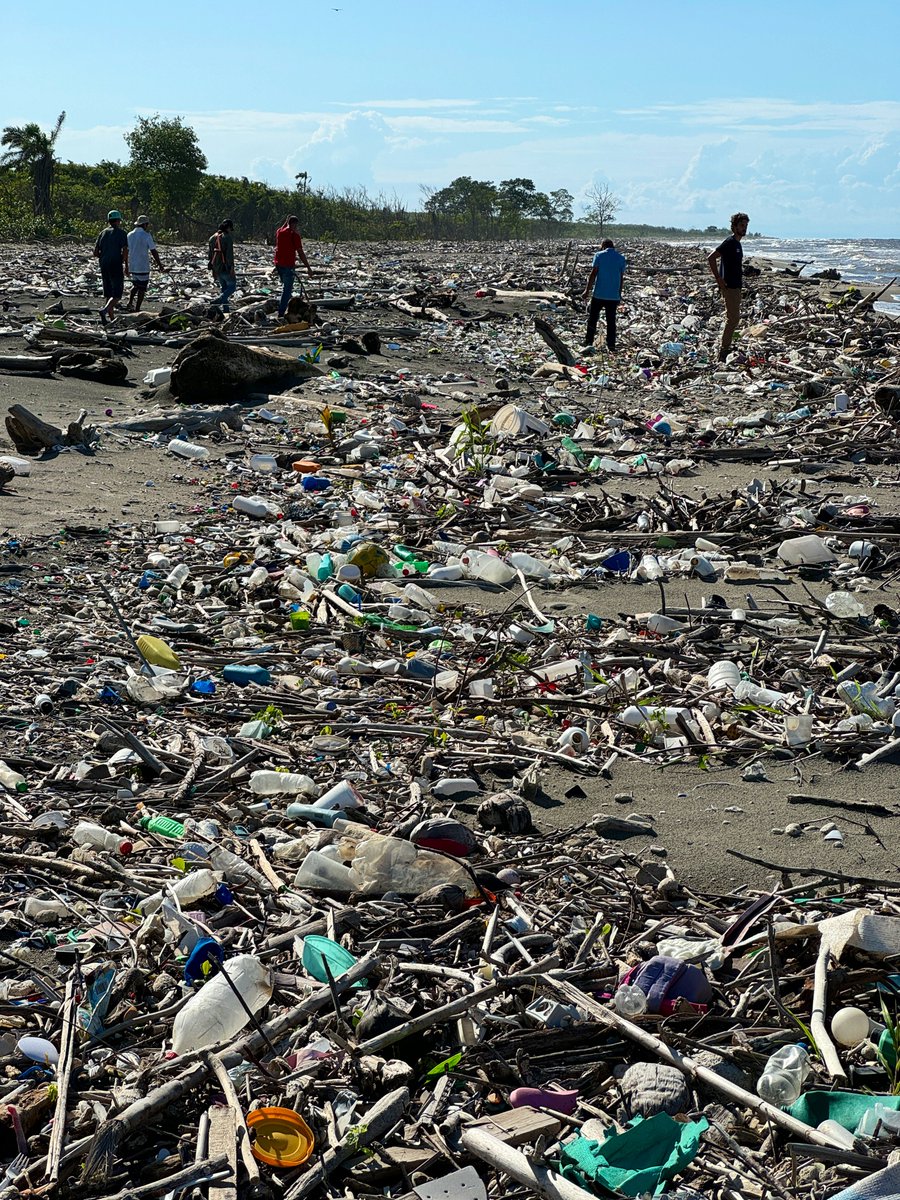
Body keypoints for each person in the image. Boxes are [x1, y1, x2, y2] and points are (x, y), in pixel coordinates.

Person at [707, 212, 749, 361]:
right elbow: (711, 258)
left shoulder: (737, 244)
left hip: (736, 285)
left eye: (746, 225)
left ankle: (726, 346)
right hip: (729, 286)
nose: (744, 228)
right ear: (734, 226)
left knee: (734, 318)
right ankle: (723, 351)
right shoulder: (730, 242)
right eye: (741, 225)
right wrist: (719, 279)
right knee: (732, 319)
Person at [582, 238, 626, 352]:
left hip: (599, 294)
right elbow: (621, 278)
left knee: (593, 318)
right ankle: (611, 345)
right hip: (613, 296)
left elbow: (593, 274)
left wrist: (587, 291)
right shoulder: (621, 258)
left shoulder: (599, 255)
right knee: (611, 321)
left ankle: (588, 341)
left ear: (603, 246)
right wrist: (619, 294)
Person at [273, 215, 313, 319]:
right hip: (287, 265)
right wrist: (308, 267)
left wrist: (287, 221)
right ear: (295, 224)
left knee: (286, 287)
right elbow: (300, 252)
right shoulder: (294, 236)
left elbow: (283, 227)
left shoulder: (279, 232)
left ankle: (289, 308)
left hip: (278, 264)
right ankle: (281, 312)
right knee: (287, 290)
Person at [93, 210, 129, 324]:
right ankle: (104, 310)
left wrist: (104, 257)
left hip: (104, 264)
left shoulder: (102, 233)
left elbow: (95, 252)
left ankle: (111, 318)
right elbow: (125, 251)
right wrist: (125, 264)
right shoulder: (122, 233)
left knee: (108, 292)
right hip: (115, 263)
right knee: (117, 293)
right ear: (118, 221)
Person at [124, 216, 165, 312]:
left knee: (136, 285)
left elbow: (126, 250)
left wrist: (126, 266)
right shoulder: (146, 235)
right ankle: (137, 309)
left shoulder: (129, 235)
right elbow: (153, 251)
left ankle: (130, 302)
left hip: (133, 266)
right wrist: (160, 264)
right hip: (142, 266)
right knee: (142, 288)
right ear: (145, 225)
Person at [208, 219, 236, 312]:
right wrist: (231, 268)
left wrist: (213, 269)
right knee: (232, 287)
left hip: (216, 268)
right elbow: (229, 255)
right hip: (225, 267)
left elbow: (210, 255)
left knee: (224, 288)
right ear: (228, 228)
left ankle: (226, 310)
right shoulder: (227, 238)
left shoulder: (212, 238)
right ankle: (220, 299)